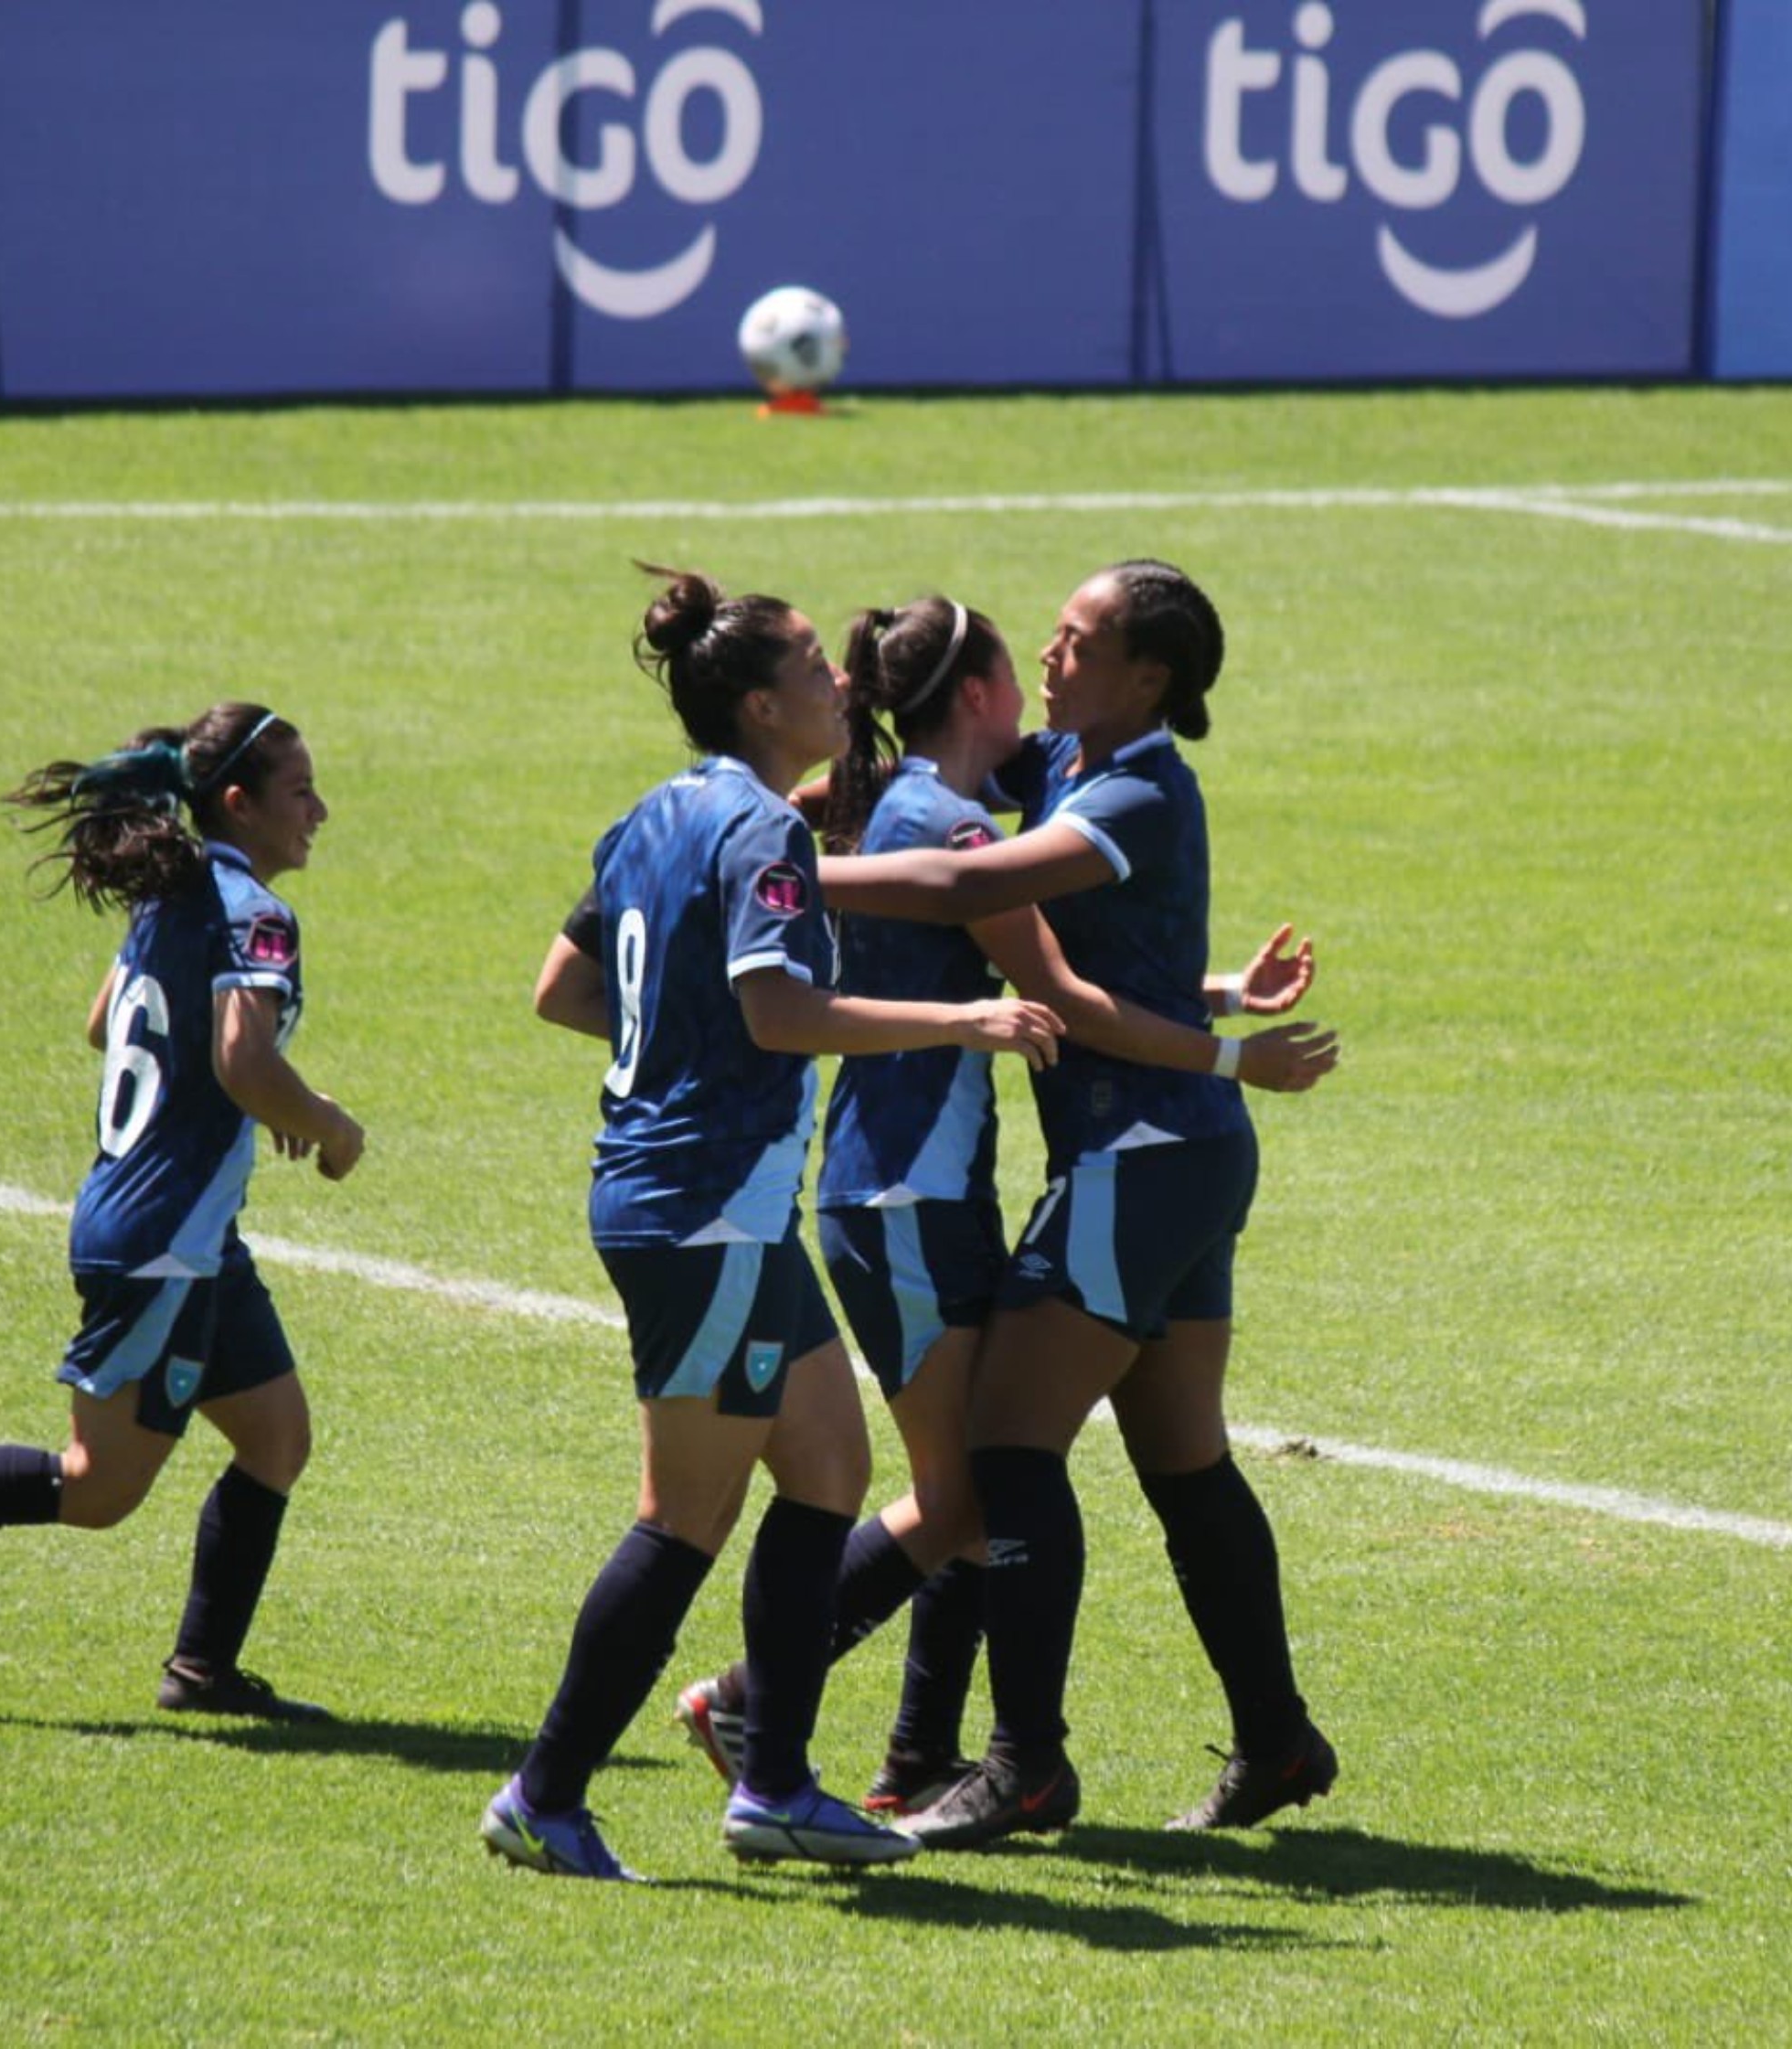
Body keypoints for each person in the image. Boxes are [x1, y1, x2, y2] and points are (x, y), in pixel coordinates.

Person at [668, 595, 1337, 1820]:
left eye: (1077, 641)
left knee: (1007, 1458)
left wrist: (763, 864)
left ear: (1148, 679)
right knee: (1181, 1462)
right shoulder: (1065, 755)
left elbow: (950, 883)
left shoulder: (1136, 789)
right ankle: (1276, 1739)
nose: (1049, 653)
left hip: (1140, 1155)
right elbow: (932, 792)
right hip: (1163, 1154)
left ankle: (1016, 1762)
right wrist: (1220, 996)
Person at [484, 565, 1063, 1883]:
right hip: (703, 1213)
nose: (839, 685)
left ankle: (779, 1783)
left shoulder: (655, 815)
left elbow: (565, 987)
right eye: (812, 670)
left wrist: (679, 1042)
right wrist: (960, 1018)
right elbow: (780, 1016)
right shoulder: (762, 830)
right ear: (758, 705)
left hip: (719, 1208)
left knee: (828, 1474)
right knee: (682, 1518)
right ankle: (545, 1792)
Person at [0, 706, 368, 1724]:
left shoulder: (173, 897)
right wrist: (325, 1123)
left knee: (276, 1437)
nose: (320, 809)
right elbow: (242, 1061)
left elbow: (107, 1023)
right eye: (300, 789)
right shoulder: (254, 911)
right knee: (98, 1491)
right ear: (238, 804)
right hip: (161, 1241)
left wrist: (233, 1088)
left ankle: (203, 1671)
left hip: (191, 1238)